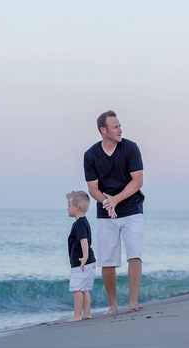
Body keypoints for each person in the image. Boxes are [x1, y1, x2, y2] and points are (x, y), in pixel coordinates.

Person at [84, 110, 144, 314]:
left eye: (119, 126)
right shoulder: (91, 155)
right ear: (104, 130)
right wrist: (107, 203)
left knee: (134, 255)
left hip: (132, 209)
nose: (120, 129)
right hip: (106, 214)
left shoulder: (130, 148)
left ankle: (133, 302)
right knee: (107, 260)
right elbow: (92, 187)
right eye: (115, 126)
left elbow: (137, 181)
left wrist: (115, 200)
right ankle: (113, 305)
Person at [65, 190, 96, 322]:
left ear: (76, 207)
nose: (67, 208)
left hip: (81, 261)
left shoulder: (79, 224)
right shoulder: (84, 222)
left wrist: (84, 257)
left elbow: (84, 240)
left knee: (77, 288)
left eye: (69, 206)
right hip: (89, 261)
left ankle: (78, 314)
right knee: (85, 289)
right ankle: (87, 313)